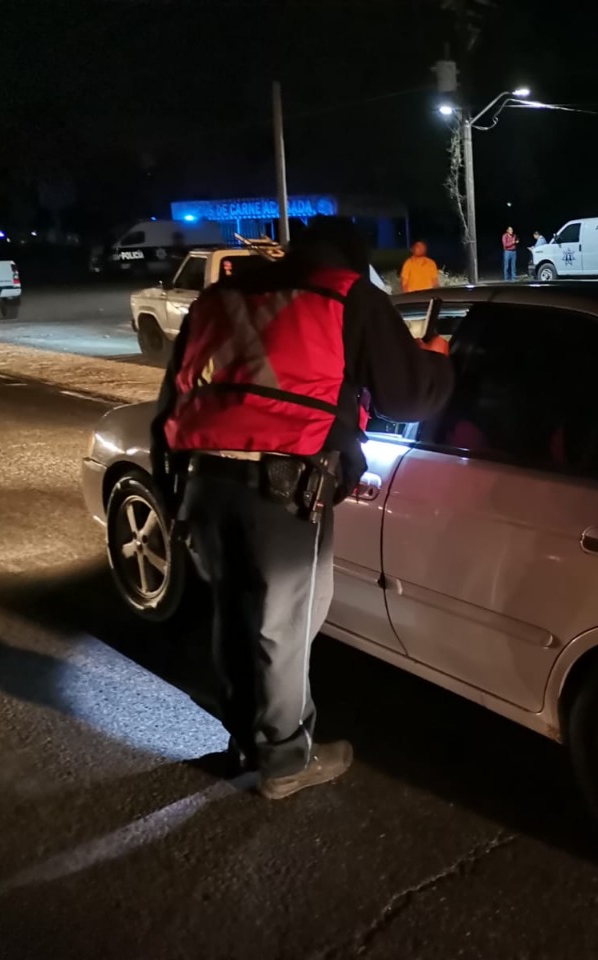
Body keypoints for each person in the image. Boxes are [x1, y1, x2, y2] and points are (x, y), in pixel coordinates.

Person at [151, 216, 452, 799]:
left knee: (235, 615)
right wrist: (437, 359)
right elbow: (408, 396)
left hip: (204, 481)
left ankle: (248, 739)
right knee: (283, 625)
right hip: (282, 488)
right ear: (349, 261)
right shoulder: (344, 296)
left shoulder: (220, 297)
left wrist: (171, 492)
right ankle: (286, 760)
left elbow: (173, 397)